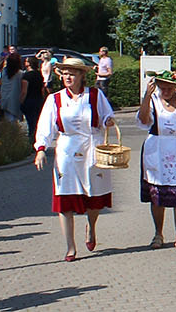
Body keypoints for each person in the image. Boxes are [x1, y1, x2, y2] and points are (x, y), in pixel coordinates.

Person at [33, 58, 116, 262]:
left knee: (94, 199)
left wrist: (108, 121)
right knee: (65, 199)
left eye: (72, 73)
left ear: (81, 76)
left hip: (92, 148)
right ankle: (70, 247)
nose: (67, 77)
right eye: (64, 73)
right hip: (67, 150)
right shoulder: (55, 99)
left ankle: (91, 226)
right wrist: (41, 148)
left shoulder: (95, 95)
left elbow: (107, 116)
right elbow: (45, 125)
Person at [137, 70, 176, 252]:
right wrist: (146, 97)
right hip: (156, 149)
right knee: (157, 194)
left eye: (169, 87)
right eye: (161, 87)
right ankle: (158, 234)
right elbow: (143, 120)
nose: (165, 91)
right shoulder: (153, 100)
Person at [20, 56, 46, 142]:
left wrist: (21, 101)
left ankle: (32, 140)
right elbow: (42, 89)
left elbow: (24, 91)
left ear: (29, 63)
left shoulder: (26, 76)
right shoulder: (39, 74)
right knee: (36, 121)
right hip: (38, 99)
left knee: (30, 121)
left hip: (29, 100)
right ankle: (37, 138)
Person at [0, 53, 25, 124]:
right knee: (14, 121)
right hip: (15, 99)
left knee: (7, 119)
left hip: (4, 97)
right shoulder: (20, 74)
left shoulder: (4, 71)